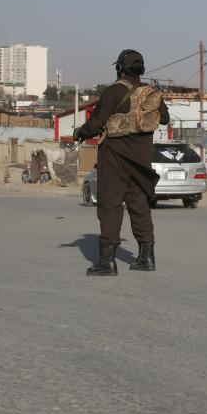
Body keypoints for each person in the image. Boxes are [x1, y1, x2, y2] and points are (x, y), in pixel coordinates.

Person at [74, 49, 169, 276]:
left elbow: (96, 124)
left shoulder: (113, 91)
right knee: (139, 206)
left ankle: (107, 262)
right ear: (141, 69)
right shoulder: (151, 93)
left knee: (110, 206)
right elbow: (164, 119)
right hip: (141, 162)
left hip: (114, 159)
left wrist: (80, 132)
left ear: (119, 68)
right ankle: (146, 258)